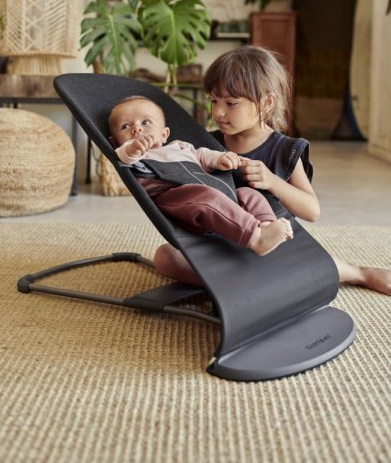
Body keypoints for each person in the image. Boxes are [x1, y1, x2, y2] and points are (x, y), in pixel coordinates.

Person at [154, 45, 391, 295]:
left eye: (231, 103)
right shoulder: (208, 145)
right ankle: (253, 280)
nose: (218, 112)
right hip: (223, 243)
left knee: (305, 262)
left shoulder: (284, 149)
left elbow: (312, 211)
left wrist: (273, 181)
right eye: (214, 101)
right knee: (165, 258)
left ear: (266, 102)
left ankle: (358, 272)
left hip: (274, 246)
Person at [108, 95, 293, 260]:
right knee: (208, 198)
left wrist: (220, 159)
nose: (137, 129)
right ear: (115, 141)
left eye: (146, 122)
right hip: (182, 203)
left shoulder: (181, 147)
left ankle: (266, 226)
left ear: (164, 134)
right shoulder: (135, 158)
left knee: (247, 193)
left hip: (221, 199)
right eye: (126, 126)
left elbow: (203, 155)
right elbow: (123, 156)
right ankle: (256, 238)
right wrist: (132, 149)